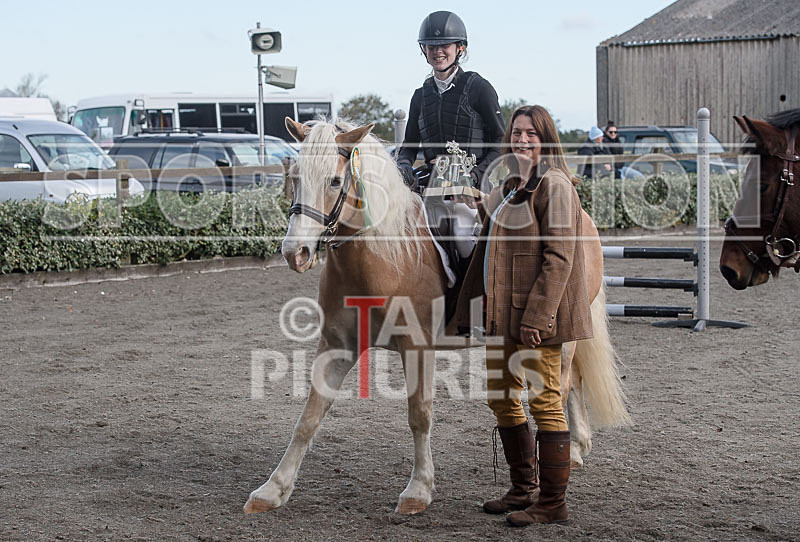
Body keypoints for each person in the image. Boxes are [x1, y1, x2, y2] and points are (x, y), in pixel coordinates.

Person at [450, 105, 593, 527]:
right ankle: (523, 487)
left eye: (531, 133)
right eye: (516, 132)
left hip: (534, 318)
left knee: (546, 402)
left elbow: (560, 257)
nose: (522, 139)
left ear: (546, 138)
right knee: (501, 396)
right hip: (503, 315)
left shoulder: (555, 186)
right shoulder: (514, 185)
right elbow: (498, 232)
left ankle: (553, 503)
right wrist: (478, 203)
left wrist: (539, 317)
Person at [397, 10, 506, 193]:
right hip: (432, 187)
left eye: (444, 45)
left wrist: (476, 174)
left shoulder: (480, 88)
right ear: (424, 49)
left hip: (474, 189)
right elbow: (409, 147)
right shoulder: (419, 97)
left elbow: (500, 141)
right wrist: (404, 164)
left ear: (460, 47)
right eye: (431, 46)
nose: (437, 51)